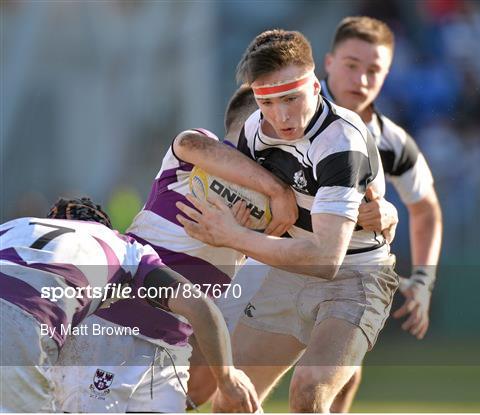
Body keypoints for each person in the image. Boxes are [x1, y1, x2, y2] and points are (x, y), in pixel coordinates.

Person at [177, 29, 399, 412]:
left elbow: (326, 259)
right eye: (267, 102)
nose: (281, 115)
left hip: (356, 276)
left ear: (315, 86)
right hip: (287, 273)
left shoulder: (340, 142)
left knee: (309, 390)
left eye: (291, 98)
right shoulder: (252, 131)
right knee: (231, 398)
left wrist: (234, 235)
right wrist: (244, 224)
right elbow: (259, 208)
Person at [51, 91, 297, 412]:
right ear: (257, 123)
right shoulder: (199, 149)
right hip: (113, 328)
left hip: (169, 349)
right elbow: (189, 143)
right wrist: (279, 192)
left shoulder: (264, 207)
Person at [0, 197, 259, 412]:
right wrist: (227, 379)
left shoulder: (13, 227)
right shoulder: (125, 248)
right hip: (23, 326)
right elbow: (199, 307)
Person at [321, 16, 443, 411]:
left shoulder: (393, 142)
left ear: (387, 74)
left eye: (374, 70)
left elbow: (426, 210)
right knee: (219, 387)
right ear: (328, 62)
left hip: (347, 274)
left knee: (337, 376)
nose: (361, 78)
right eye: (351, 64)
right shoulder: (290, 114)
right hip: (275, 265)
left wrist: (423, 279)